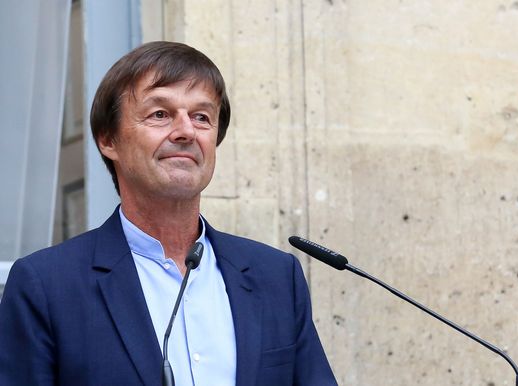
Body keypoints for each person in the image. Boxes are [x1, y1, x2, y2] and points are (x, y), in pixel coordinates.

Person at [0, 41, 337, 386]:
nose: (186, 131)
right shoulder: (46, 285)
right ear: (108, 140)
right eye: (160, 114)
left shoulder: (277, 278)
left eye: (201, 117)